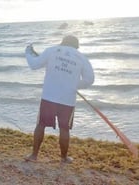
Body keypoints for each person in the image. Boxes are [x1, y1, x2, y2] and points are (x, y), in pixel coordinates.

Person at [24, 35, 94, 164]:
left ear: (62, 43)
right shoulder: (81, 57)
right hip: (67, 99)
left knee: (41, 125)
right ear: (76, 46)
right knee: (64, 128)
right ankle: (63, 158)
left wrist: (28, 53)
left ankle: (34, 155)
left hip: (49, 97)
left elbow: (34, 65)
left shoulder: (52, 51)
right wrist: (74, 85)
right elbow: (89, 80)